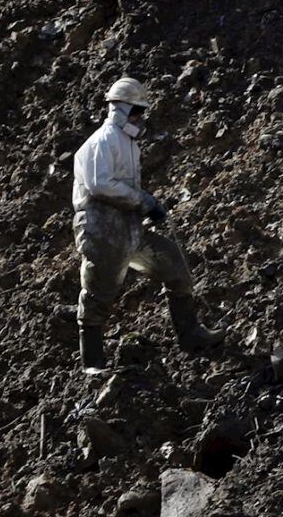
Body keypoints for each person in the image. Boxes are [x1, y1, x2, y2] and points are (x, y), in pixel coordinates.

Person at [73, 77, 224, 373]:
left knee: (174, 266)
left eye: (141, 112)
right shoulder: (101, 142)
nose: (139, 118)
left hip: (128, 228)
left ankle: (191, 336)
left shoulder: (128, 144)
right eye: (136, 111)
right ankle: (92, 363)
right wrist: (143, 200)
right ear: (121, 108)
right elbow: (99, 185)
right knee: (98, 293)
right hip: (102, 229)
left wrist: (146, 206)